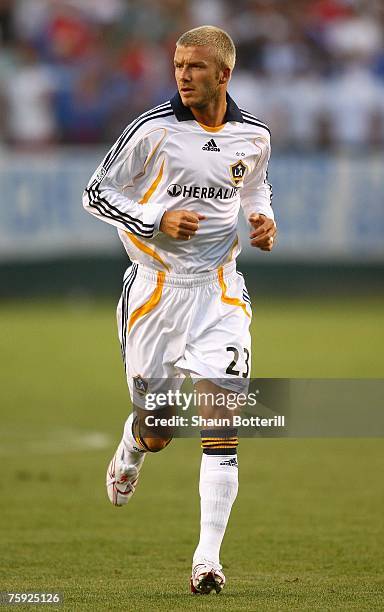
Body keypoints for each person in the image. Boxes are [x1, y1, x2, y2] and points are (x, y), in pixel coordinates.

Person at [83, 25, 276, 595]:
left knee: (222, 422)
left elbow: (254, 188)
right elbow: (97, 192)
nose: (183, 76)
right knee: (160, 428)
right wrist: (155, 220)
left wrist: (263, 219)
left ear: (223, 74)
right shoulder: (154, 130)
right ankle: (133, 444)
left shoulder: (254, 136)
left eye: (195, 67)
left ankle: (206, 561)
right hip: (156, 293)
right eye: (178, 66)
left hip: (219, 291)